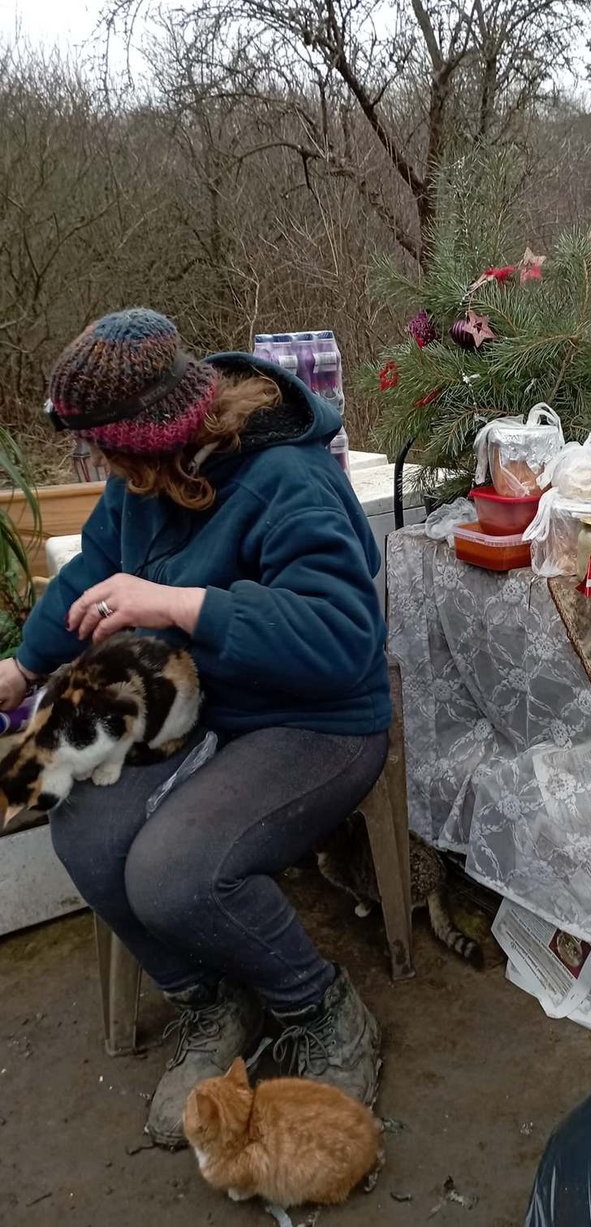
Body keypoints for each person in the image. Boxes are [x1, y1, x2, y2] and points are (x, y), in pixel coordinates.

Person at [0, 308, 391, 1149]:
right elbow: (98, 566)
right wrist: (21, 669)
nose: (106, 471)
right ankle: (211, 998)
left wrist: (181, 604)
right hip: (207, 709)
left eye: (111, 454)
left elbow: (342, 636)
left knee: (176, 869)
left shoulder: (288, 476)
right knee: (88, 833)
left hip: (319, 722)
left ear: (158, 436)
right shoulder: (143, 476)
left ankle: (319, 1007)